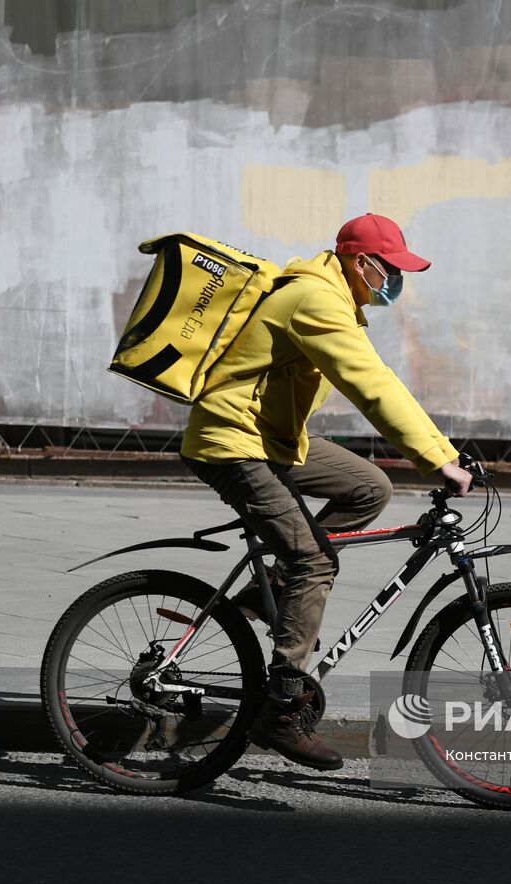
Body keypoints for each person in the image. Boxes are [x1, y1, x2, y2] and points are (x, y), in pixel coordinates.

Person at [180, 212, 474, 771]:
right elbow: (372, 384)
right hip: (231, 442)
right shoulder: (314, 299)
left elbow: (375, 381)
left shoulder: (335, 298)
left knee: (368, 486)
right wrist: (438, 457)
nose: (396, 282)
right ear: (360, 262)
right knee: (316, 560)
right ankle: (282, 709)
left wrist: (444, 452)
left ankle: (273, 588)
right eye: (390, 269)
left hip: (271, 438)